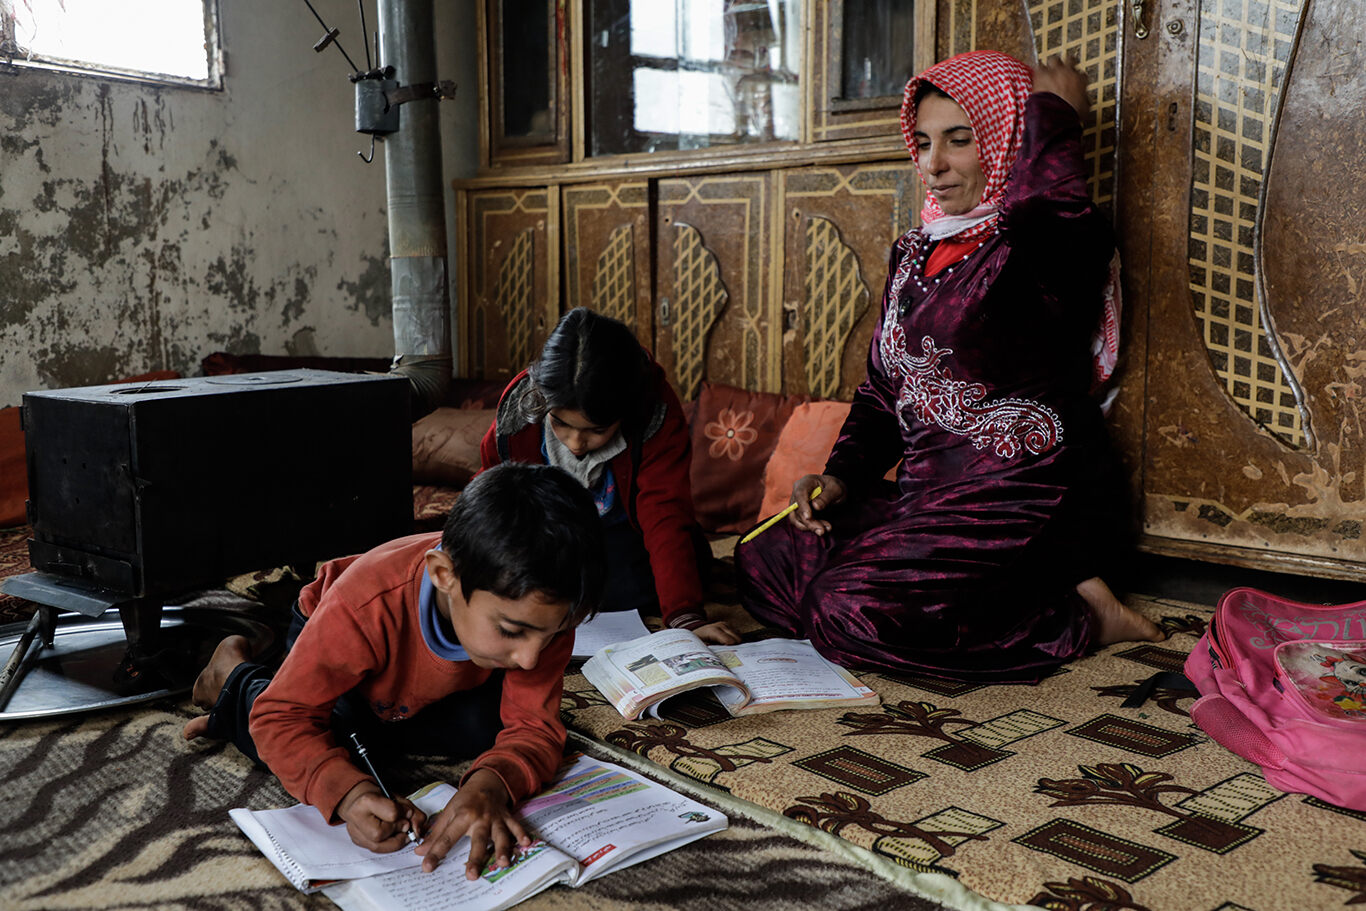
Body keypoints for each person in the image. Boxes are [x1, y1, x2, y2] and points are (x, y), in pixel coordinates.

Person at [735, 51, 1162, 682]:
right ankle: (939, 608)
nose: (933, 166)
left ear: (1008, 139)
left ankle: (1075, 613)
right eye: (926, 142)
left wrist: (1053, 117)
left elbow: (1058, 221)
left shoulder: (1037, 250)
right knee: (764, 558)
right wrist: (843, 476)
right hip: (928, 500)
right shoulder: (915, 251)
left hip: (1026, 499)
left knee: (842, 610)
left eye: (960, 141)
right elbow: (887, 387)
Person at [181, 462, 606, 879]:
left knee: (484, 730)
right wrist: (348, 796)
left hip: (417, 686)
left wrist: (492, 785)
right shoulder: (365, 604)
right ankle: (234, 673)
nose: (533, 658)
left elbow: (534, 729)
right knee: (322, 740)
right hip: (336, 639)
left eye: (551, 635)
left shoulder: (543, 611)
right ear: (444, 575)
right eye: (512, 631)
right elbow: (281, 717)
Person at [481, 307, 740, 646]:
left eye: (596, 430)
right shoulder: (521, 407)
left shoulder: (653, 411)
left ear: (625, 412)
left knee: (623, 588)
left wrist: (684, 616)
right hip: (547, 534)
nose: (575, 444)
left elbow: (664, 515)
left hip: (626, 539)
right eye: (560, 423)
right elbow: (491, 497)